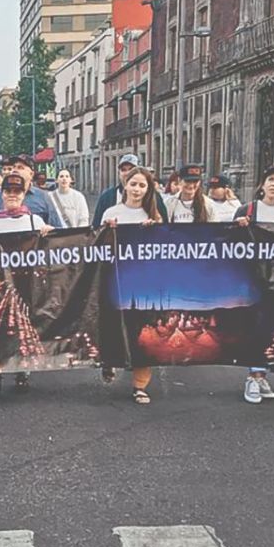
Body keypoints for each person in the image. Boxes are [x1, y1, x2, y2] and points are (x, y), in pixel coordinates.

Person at [0, 174, 53, 397]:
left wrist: (48, 235)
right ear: (2, 195)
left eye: (17, 192)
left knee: (23, 328)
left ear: (23, 195)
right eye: (8, 191)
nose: (12, 195)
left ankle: (23, 372)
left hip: (26, 284)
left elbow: (49, 251)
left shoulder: (34, 221)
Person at [234, 165, 274, 405]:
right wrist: (238, 226)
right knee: (257, 326)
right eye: (270, 179)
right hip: (252, 279)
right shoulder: (247, 210)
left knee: (272, 327)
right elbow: (230, 244)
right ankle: (253, 376)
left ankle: (260, 374)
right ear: (262, 185)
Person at [102, 167, 165, 405]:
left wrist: (154, 230)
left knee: (143, 333)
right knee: (114, 327)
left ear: (148, 190)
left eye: (142, 186)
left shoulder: (154, 216)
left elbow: (164, 250)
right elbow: (97, 245)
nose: (137, 189)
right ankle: (109, 362)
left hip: (144, 283)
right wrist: (107, 229)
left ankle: (140, 386)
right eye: (134, 184)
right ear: (125, 185)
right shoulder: (111, 211)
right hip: (116, 280)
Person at [0, 154, 63, 227]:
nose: (14, 170)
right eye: (13, 167)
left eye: (20, 167)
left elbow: (56, 229)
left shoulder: (43, 197)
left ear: (31, 174)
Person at [93, 153, 154, 227]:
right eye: (123, 170)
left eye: (131, 169)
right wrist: (107, 230)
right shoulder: (107, 198)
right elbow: (95, 229)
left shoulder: (154, 202)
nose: (127, 173)